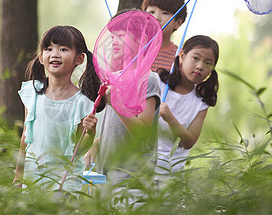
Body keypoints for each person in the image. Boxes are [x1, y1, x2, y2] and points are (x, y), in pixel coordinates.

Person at [13, 25, 105, 193]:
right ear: (41, 57)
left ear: (79, 59)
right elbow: (25, 137)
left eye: (63, 49)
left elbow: (78, 149)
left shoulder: (82, 103)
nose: (55, 54)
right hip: (33, 181)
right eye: (49, 49)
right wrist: (18, 176)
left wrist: (90, 133)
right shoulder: (33, 93)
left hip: (63, 185)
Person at [84, 10, 161, 187]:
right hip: (106, 175)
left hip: (133, 179)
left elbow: (142, 131)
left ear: (142, 40)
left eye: (120, 35)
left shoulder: (148, 80)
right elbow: (116, 128)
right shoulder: (115, 78)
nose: (113, 41)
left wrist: (115, 102)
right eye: (112, 37)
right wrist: (98, 143)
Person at [155, 35, 219, 179]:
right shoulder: (158, 82)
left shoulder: (201, 102)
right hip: (142, 166)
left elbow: (188, 142)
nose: (200, 66)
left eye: (208, 63)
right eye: (196, 58)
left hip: (171, 174)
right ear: (182, 56)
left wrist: (170, 118)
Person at [141, 0, 187, 72]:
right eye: (151, 12)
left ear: (178, 23)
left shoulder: (180, 58)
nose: (156, 18)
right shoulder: (131, 50)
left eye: (165, 13)